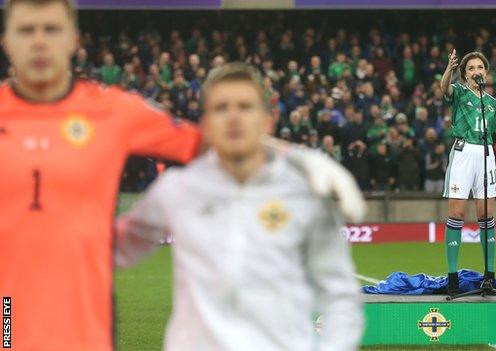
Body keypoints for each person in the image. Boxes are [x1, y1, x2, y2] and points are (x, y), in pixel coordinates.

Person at [0, 1, 363, 349]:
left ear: (73, 40)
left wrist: (297, 156)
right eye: (26, 30)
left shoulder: (114, 111)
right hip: (8, 315)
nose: (39, 41)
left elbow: (211, 138)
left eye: (51, 29)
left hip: (85, 331)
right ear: (7, 40)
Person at [115, 63, 364, 350]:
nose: (233, 117)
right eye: (221, 108)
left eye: (245, 107)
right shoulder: (177, 190)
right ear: (205, 123)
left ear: (268, 121)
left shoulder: (304, 193)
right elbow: (111, 247)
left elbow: (340, 296)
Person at [440, 50, 496, 296]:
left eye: (480, 67)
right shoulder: (459, 92)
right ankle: (452, 276)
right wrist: (449, 70)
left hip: (486, 154)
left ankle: (490, 276)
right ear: (465, 75)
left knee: (486, 214)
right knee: (457, 213)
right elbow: (445, 89)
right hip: (463, 153)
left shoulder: (494, 105)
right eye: (471, 68)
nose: (477, 71)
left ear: (486, 72)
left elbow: (493, 132)